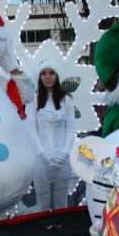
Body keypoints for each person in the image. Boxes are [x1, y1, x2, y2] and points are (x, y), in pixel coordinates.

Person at [25, 59, 76, 211]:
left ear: (57, 76)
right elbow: (31, 130)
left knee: (62, 204)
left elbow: (71, 129)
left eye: (51, 73)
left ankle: (63, 232)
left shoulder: (66, 99)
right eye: (44, 73)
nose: (47, 77)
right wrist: (43, 155)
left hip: (63, 161)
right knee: (43, 204)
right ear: (39, 77)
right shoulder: (32, 99)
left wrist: (65, 154)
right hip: (41, 163)